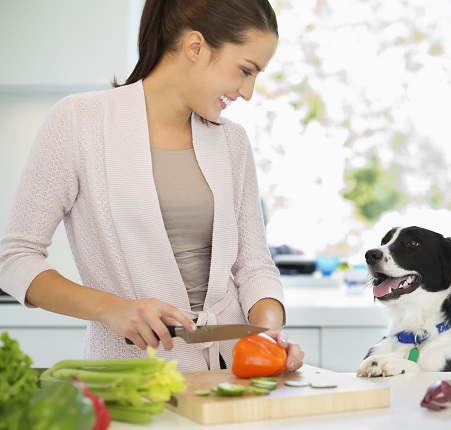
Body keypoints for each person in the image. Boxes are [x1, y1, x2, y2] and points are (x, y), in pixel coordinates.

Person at [0, 0, 304, 373]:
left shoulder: (232, 142)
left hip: (233, 368)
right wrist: (113, 309)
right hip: (133, 375)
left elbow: (255, 265)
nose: (248, 92)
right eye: (245, 70)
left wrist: (268, 335)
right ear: (196, 47)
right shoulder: (80, 121)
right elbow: (15, 258)